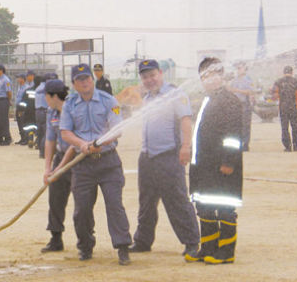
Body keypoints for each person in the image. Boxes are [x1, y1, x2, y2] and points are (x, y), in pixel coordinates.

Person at [60, 63, 132, 266]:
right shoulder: (70, 104)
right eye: (79, 80)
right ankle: (85, 246)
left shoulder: (109, 101)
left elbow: (117, 129)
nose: (84, 82)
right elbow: (65, 133)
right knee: (81, 209)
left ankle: (123, 247)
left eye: (87, 78)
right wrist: (82, 144)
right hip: (82, 166)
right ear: (74, 84)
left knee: (114, 205)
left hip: (108, 163)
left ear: (92, 79)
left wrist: (101, 143)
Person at [130, 59, 200, 261]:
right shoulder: (147, 99)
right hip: (147, 157)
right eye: (145, 76)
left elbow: (185, 120)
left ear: (160, 73)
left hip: (168, 155)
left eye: (152, 75)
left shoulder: (175, 94)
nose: (149, 80)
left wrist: (186, 147)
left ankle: (192, 242)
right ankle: (143, 241)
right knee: (146, 202)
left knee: (176, 200)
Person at [189, 57, 243, 264]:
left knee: (225, 207)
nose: (207, 80)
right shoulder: (208, 99)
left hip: (222, 165)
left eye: (211, 75)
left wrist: (228, 161)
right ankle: (208, 247)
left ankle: (226, 251)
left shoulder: (230, 101)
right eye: (204, 76)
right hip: (204, 164)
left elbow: (233, 136)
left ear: (220, 75)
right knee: (205, 205)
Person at [41, 79, 75, 253]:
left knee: (82, 203)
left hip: (78, 158)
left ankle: (85, 243)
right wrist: (48, 168)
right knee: (55, 198)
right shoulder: (51, 112)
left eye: (46, 95)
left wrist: (60, 167)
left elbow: (74, 144)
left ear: (54, 96)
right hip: (61, 156)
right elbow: (50, 139)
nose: (45, 99)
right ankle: (56, 239)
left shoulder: (73, 109)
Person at [272, 66, 297, 152]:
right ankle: (296, 145)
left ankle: (287, 146)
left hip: (283, 107)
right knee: (295, 126)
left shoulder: (278, 82)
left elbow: (275, 95)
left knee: (284, 127)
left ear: (283, 72)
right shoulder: (296, 81)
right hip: (293, 106)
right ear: (292, 72)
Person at [227, 61, 254, 151]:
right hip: (236, 104)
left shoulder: (248, 79)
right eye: (237, 68)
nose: (238, 70)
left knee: (246, 125)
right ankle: (238, 143)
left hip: (245, 103)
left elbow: (249, 91)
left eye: (239, 68)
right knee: (236, 124)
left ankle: (245, 144)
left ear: (244, 69)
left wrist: (236, 90)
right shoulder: (235, 80)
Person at [0, 64, 13, 145]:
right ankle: (0, 138)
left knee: (3, 120)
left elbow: (9, 92)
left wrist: (8, 100)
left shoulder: (6, 80)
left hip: (4, 101)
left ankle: (8, 138)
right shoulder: (0, 80)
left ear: (1, 70)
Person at [34, 74, 49, 158]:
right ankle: (44, 151)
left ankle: (40, 151)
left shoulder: (38, 88)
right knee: (46, 132)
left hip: (37, 112)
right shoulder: (46, 88)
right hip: (45, 111)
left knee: (39, 132)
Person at [14, 73, 28, 145]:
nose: (18, 79)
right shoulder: (19, 87)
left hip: (22, 108)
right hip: (18, 107)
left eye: (19, 78)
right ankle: (22, 138)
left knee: (23, 123)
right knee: (19, 123)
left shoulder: (26, 88)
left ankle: (26, 139)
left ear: (23, 79)